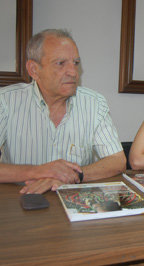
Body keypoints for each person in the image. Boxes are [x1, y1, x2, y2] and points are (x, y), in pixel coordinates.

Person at [0, 29, 126, 194]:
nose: (73, 72)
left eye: (76, 63)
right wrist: (38, 171)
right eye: (60, 63)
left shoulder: (94, 103)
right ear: (33, 69)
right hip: (21, 200)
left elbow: (117, 161)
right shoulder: (5, 101)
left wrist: (72, 175)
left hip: (75, 202)